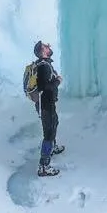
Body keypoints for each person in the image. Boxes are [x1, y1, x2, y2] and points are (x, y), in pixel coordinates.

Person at [33, 40, 65, 176]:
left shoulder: (44, 65)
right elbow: (44, 87)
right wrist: (57, 81)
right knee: (49, 133)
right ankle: (43, 167)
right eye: (46, 46)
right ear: (42, 51)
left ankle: (52, 147)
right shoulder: (43, 67)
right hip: (45, 105)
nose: (49, 46)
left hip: (48, 104)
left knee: (54, 124)